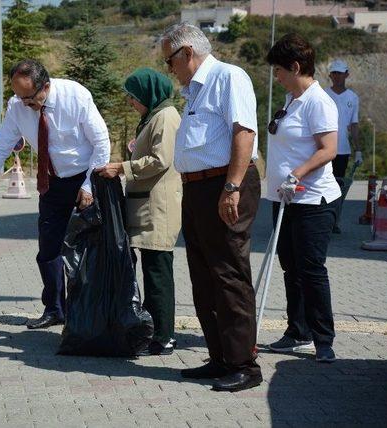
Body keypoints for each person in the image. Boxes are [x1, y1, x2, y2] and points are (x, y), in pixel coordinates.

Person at [159, 23, 262, 392]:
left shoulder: (228, 77)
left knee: (229, 274)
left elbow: (244, 133)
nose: (169, 69)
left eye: (169, 60)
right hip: (198, 189)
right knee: (204, 278)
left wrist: (232, 187)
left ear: (187, 53)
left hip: (225, 184)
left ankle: (244, 365)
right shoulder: (194, 92)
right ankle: (220, 358)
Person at [0, 59, 110, 329]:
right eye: (19, 97)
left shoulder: (76, 95)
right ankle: (55, 309)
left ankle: (89, 309)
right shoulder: (17, 107)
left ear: (45, 86)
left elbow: (101, 142)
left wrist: (88, 186)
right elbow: (0, 146)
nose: (25, 104)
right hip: (51, 182)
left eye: (30, 98)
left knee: (88, 249)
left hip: (85, 177)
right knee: (48, 249)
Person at [265, 34, 340, 363]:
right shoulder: (290, 98)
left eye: (279, 69)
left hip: (313, 201)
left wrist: (297, 174)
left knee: (311, 269)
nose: (276, 75)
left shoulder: (319, 102)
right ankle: (297, 331)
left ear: (296, 67)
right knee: (290, 268)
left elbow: (329, 150)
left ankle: (323, 339)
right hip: (284, 199)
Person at [96, 68, 182, 356]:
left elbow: (160, 160)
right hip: (147, 205)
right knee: (152, 270)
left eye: (134, 97)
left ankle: (164, 336)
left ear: (148, 93)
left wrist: (122, 167)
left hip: (159, 207)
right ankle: (157, 331)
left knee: (158, 272)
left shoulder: (166, 117)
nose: (131, 102)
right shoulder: (153, 117)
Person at [325, 59, 361, 234]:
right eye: (334, 73)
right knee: (322, 185)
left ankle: (334, 221)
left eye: (340, 73)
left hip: (342, 151)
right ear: (330, 75)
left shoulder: (352, 98)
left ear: (347, 74)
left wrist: (358, 150)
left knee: (337, 188)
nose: (337, 76)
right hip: (322, 149)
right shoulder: (323, 94)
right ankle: (321, 220)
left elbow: (354, 125)